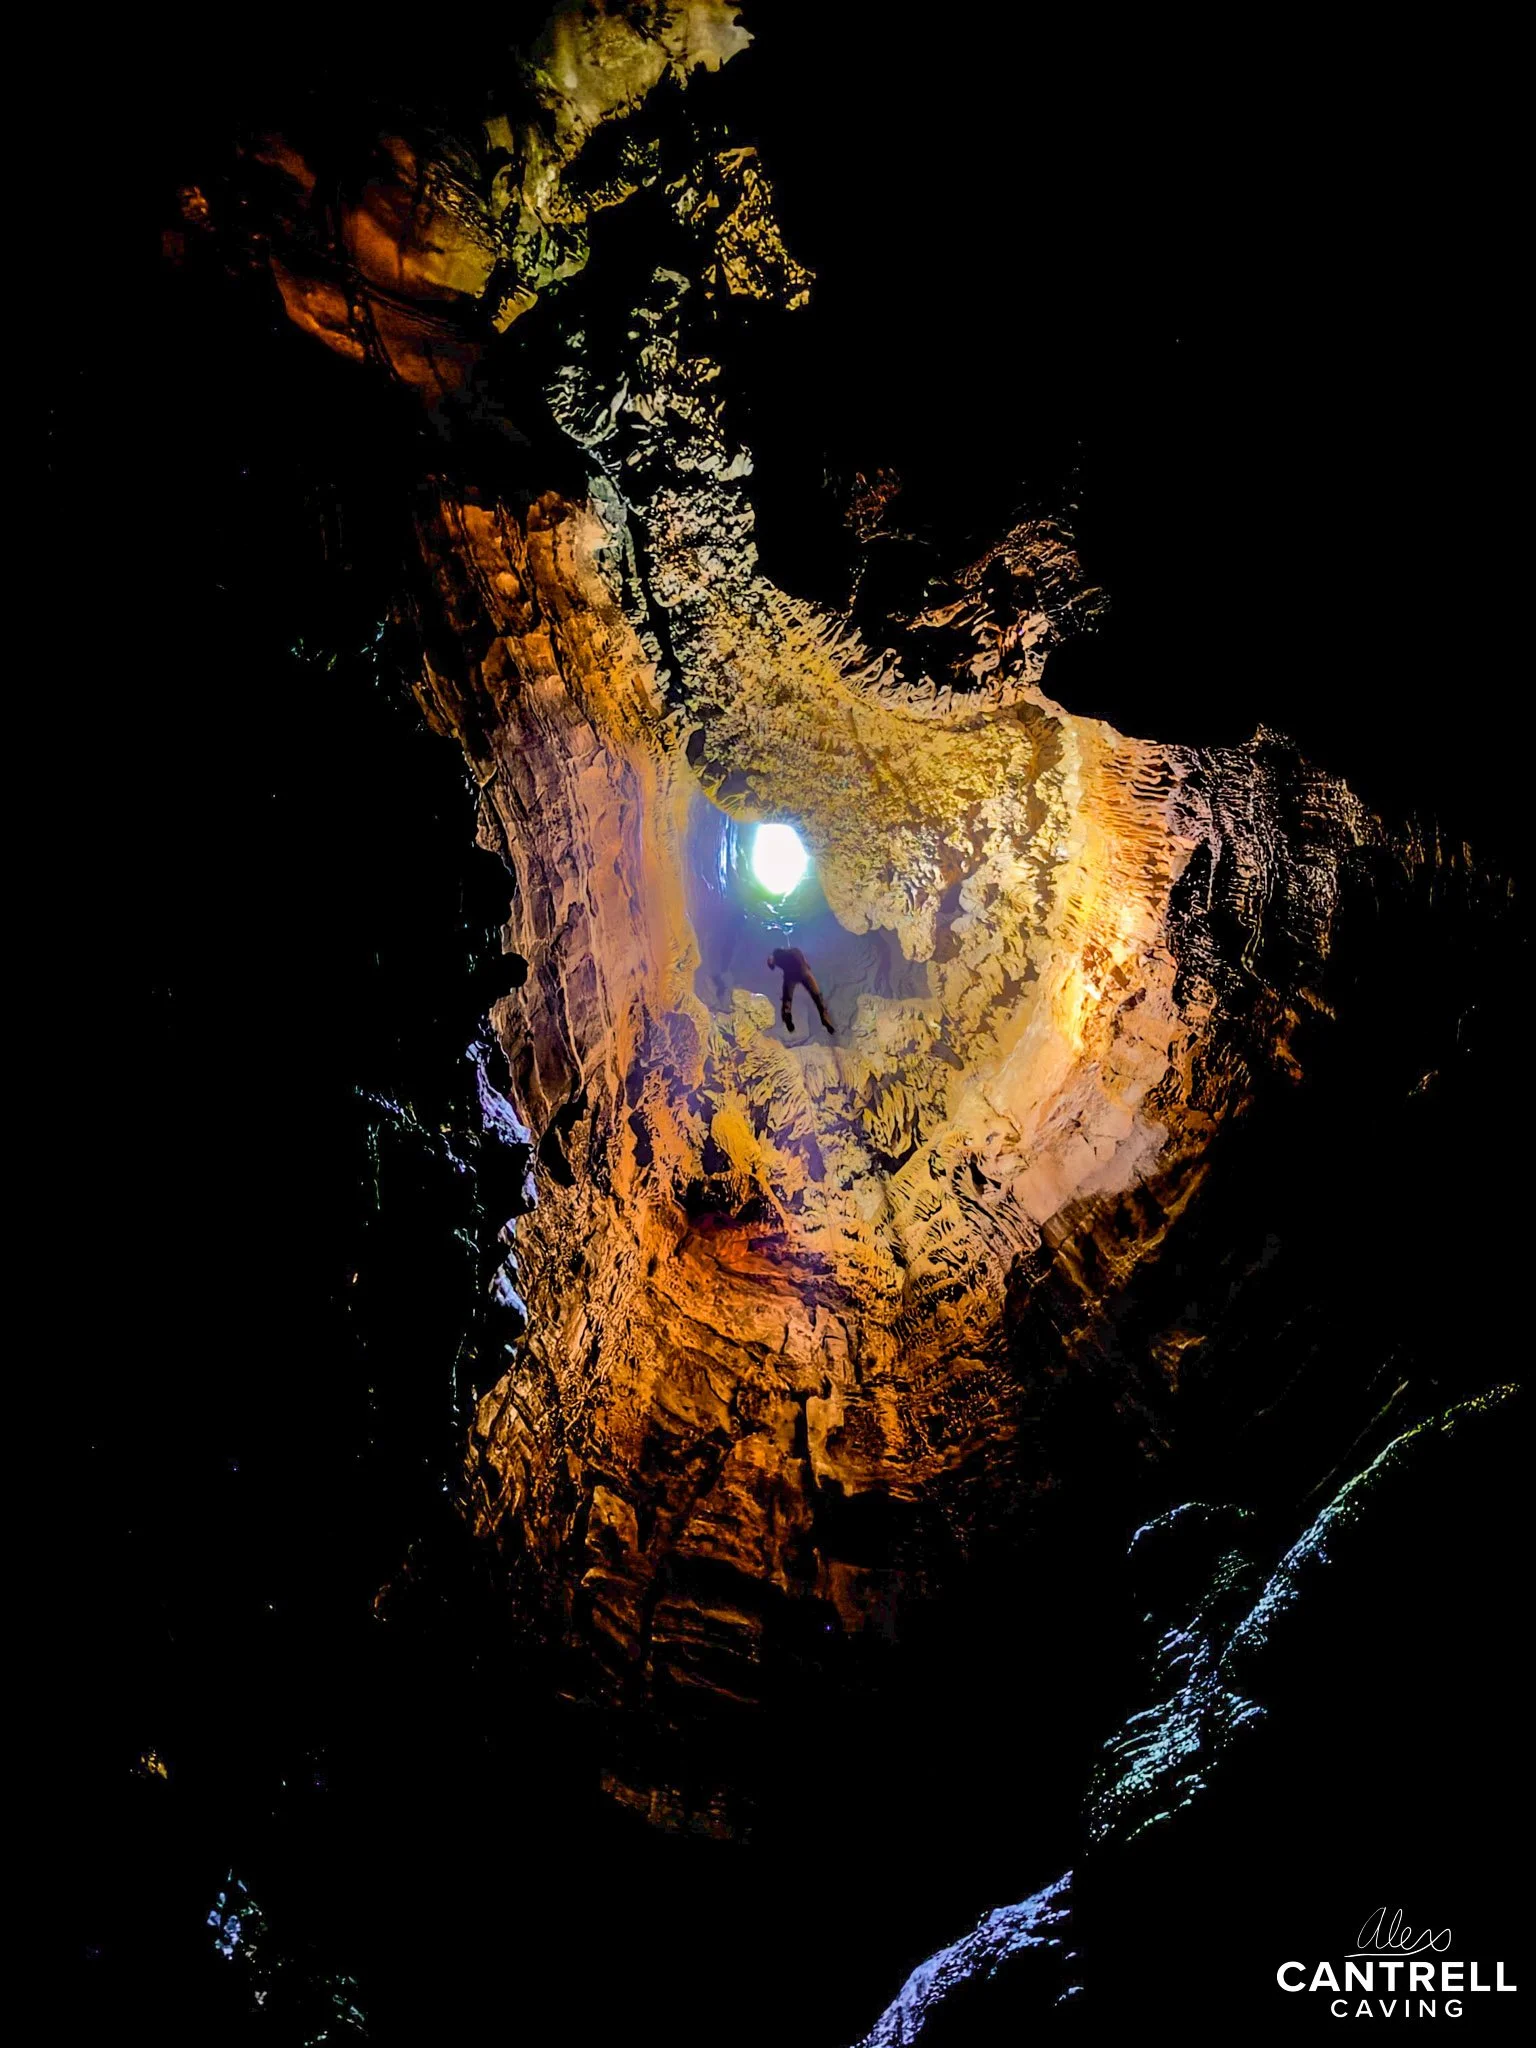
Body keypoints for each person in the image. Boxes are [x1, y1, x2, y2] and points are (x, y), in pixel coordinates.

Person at [768, 945, 834, 1036]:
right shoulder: (794, 952)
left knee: (787, 998)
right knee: (817, 996)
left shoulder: (778, 955)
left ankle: (787, 1017)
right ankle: (825, 1017)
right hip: (804, 972)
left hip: (791, 975)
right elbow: (806, 964)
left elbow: (771, 964)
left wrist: (772, 962)